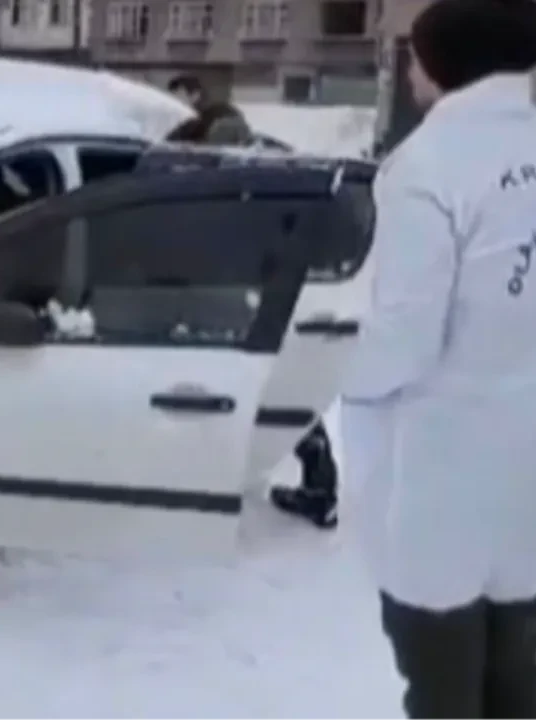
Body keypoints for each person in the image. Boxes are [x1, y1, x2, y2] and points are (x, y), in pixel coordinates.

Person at [341, 0, 536, 718]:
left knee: (442, 689)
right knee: (513, 668)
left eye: (415, 54)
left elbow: (402, 343)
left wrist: (329, 368)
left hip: (444, 492)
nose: (411, 69)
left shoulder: (426, 168)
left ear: (443, 63)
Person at [164, 73, 340, 531]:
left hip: (237, 287)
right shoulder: (253, 148)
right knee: (275, 386)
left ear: (195, 96)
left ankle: (222, 477)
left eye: (180, 95)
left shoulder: (218, 142)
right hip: (263, 285)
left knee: (245, 384)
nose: (175, 102)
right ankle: (319, 483)